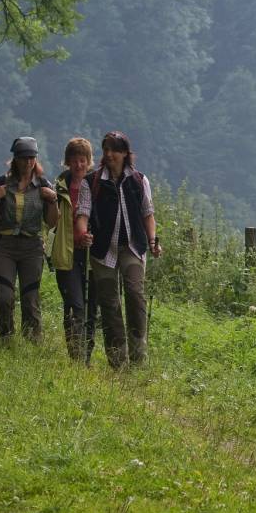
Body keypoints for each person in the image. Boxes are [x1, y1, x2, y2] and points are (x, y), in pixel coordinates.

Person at [75, 131, 162, 369]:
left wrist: (153, 240)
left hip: (132, 247)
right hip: (103, 250)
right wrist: (83, 234)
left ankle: (138, 353)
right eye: (106, 149)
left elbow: (148, 214)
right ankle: (117, 360)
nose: (110, 154)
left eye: (115, 150)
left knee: (135, 293)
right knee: (109, 303)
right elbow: (82, 212)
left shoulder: (138, 180)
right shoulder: (91, 182)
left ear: (125, 153)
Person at [0, 137, 59, 342]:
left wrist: (52, 200)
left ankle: (32, 340)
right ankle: (5, 336)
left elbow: (51, 223)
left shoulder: (43, 185)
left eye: (31, 158)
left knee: (30, 297)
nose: (28, 162)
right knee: (3, 295)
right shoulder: (1, 183)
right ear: (15, 159)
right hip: (5, 246)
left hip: (32, 247)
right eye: (23, 158)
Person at [51, 137, 97, 363]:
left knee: (91, 308)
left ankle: (86, 356)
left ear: (89, 161)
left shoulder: (96, 185)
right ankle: (76, 356)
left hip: (91, 254)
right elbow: (50, 220)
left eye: (83, 160)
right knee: (75, 304)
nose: (79, 165)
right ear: (67, 162)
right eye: (75, 160)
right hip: (66, 252)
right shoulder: (59, 187)